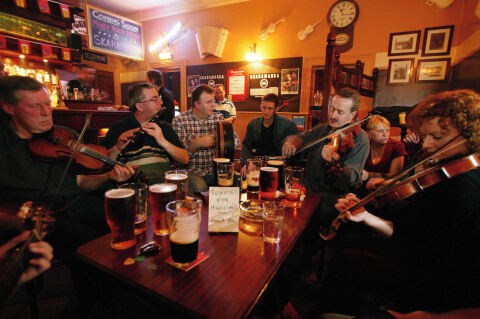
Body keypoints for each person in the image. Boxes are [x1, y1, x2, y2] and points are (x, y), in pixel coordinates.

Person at [316, 89, 480, 318]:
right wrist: (366, 214)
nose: (428, 144)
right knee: (347, 244)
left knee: (348, 261)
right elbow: (413, 231)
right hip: (420, 254)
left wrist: (367, 216)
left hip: (432, 279)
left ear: (470, 135)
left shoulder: (462, 188)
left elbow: (409, 241)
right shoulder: (449, 169)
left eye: (438, 138)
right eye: (427, 135)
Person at [282, 87, 369, 225]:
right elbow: (300, 138)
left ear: (353, 115)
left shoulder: (360, 138)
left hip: (330, 202)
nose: (333, 115)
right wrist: (291, 142)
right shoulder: (322, 129)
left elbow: (351, 179)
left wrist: (334, 163)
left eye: (340, 112)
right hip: (308, 194)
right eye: (332, 109)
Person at [102, 83, 188, 185]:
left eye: (159, 97)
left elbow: (185, 159)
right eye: (154, 99)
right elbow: (104, 163)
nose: (161, 101)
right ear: (140, 106)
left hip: (163, 187)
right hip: (132, 187)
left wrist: (162, 141)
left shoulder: (165, 127)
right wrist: (117, 148)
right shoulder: (119, 128)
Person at [172, 84, 239, 193]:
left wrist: (220, 139)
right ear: (197, 104)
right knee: (200, 187)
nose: (214, 106)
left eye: (214, 101)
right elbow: (178, 159)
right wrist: (195, 145)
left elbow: (236, 141)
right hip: (191, 171)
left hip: (214, 170)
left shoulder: (218, 118)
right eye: (209, 102)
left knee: (237, 181)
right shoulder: (180, 121)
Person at [241, 93, 298, 165]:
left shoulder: (288, 124)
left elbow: (299, 145)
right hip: (257, 164)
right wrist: (247, 163)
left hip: (279, 165)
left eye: (270, 108)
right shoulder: (253, 124)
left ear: (276, 109)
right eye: (264, 107)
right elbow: (246, 146)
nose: (266, 112)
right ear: (260, 106)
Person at [361, 115, 407, 190]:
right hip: (364, 188)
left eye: (387, 130)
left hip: (387, 188)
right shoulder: (363, 145)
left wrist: (368, 175)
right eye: (380, 131)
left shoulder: (397, 146)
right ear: (369, 133)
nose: (385, 134)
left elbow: (394, 176)